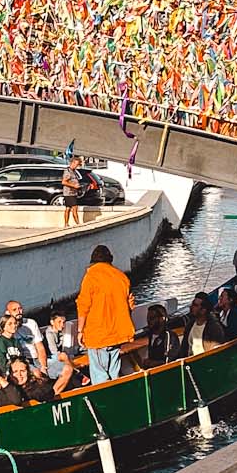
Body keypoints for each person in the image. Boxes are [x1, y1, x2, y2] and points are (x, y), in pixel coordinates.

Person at [77, 244, 134, 386]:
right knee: (114, 371)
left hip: (98, 335)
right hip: (118, 333)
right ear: (110, 260)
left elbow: (83, 306)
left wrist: (80, 330)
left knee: (100, 375)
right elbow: (130, 305)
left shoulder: (91, 277)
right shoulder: (122, 277)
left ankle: (105, 402)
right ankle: (116, 397)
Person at [173, 292, 227, 358]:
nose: (191, 307)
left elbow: (214, 353)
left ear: (203, 310)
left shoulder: (214, 328)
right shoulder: (190, 325)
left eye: (195, 305)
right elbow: (183, 349)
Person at [40, 309, 79, 394]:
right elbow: (54, 352)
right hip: (50, 359)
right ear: (52, 322)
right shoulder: (49, 334)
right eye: (59, 322)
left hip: (60, 356)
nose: (62, 325)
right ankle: (77, 373)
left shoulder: (61, 332)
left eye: (63, 322)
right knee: (65, 359)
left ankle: (76, 375)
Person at [60, 156, 84, 227]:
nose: (77, 166)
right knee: (74, 208)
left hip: (73, 192)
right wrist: (74, 186)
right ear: (73, 163)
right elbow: (64, 182)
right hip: (69, 193)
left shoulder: (74, 171)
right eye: (77, 164)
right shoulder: (67, 171)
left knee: (68, 208)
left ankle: (66, 224)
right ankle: (78, 224)